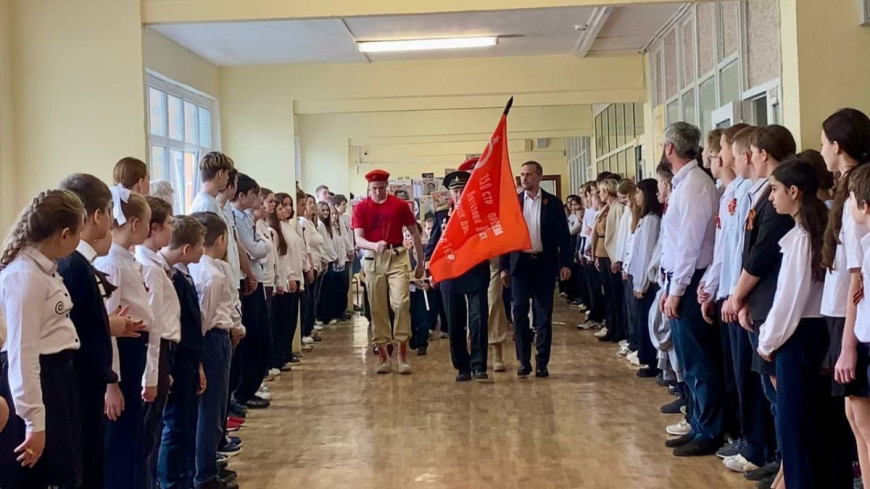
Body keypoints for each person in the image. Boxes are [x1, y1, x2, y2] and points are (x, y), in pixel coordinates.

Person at [753, 159, 832, 489]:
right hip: (813, 335)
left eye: (774, 190)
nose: (771, 197)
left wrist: (766, 342)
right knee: (812, 428)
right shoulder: (812, 233)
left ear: (794, 191)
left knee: (797, 429)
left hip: (798, 339)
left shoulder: (802, 238)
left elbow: (789, 302)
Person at [0, 190, 86, 488]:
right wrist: (34, 421)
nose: (80, 240)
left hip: (57, 377)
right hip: (40, 380)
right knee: (42, 474)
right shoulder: (24, 276)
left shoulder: (45, 269)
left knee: (66, 469)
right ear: (64, 235)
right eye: (79, 232)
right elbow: (23, 355)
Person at [57, 174, 130, 489]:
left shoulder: (79, 264)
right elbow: (73, 329)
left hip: (87, 382)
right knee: (86, 465)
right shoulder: (74, 266)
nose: (113, 221)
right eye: (111, 212)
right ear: (98, 215)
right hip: (81, 384)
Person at [657, 122, 724, 457]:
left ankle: (709, 429)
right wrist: (667, 285)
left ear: (670, 147)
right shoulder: (683, 184)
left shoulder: (696, 184)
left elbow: (689, 244)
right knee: (687, 359)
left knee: (699, 361)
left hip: (691, 279)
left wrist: (677, 289)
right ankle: (697, 423)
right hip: (679, 279)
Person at [95, 189, 156, 488]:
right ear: (134, 224)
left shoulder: (127, 260)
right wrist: (112, 383)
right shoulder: (112, 264)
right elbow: (107, 330)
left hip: (135, 350)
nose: (149, 228)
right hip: (123, 356)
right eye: (147, 222)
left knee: (133, 437)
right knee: (119, 442)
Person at [823, 108, 870, 489]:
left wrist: (848, 343)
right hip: (844, 313)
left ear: (837, 146)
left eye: (824, 143)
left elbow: (857, 275)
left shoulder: (858, 193)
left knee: (863, 420)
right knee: (854, 418)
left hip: (851, 317)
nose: (822, 150)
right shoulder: (846, 187)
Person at [499, 161, 572, 378]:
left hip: (544, 264)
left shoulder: (553, 203)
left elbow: (564, 236)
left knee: (543, 314)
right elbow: (505, 238)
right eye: (522, 174)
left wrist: (566, 263)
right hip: (520, 265)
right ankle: (524, 361)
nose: (525, 178)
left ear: (539, 177)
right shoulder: (514, 203)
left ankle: (542, 362)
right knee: (519, 311)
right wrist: (503, 267)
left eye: (529, 175)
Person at [352, 169, 424, 375]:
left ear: (387, 187)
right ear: (369, 188)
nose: (378, 192)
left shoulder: (399, 205)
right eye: (374, 188)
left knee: (401, 303)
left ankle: (402, 352)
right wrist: (374, 245)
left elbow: (415, 233)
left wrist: (420, 262)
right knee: (377, 307)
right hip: (373, 258)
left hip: (397, 256)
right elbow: (358, 239)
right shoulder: (361, 208)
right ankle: (383, 354)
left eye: (382, 188)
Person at [188, 212, 239, 489]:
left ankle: (203, 465)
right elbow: (205, 318)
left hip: (206, 340)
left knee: (206, 409)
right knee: (212, 409)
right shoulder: (213, 274)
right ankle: (205, 474)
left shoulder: (192, 267)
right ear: (220, 240)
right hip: (212, 340)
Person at [135, 196, 182, 489]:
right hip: (155, 349)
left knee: (153, 430)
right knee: (149, 434)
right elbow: (152, 321)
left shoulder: (155, 263)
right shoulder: (149, 267)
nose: (172, 230)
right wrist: (152, 374)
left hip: (163, 349)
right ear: (153, 228)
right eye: (169, 224)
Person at [157, 215, 206, 489]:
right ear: (187, 249)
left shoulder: (180, 274)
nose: (203, 250)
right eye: (201, 245)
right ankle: (171, 481)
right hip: (177, 359)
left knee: (187, 423)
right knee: (175, 425)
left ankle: (185, 477)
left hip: (188, 358)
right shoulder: (169, 277)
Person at [427, 168, 491, 381]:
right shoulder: (441, 214)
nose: (459, 194)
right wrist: (431, 271)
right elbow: (433, 245)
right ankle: (462, 366)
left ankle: (479, 365)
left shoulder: (480, 213)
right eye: (455, 191)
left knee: (478, 320)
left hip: (476, 271)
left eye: (463, 190)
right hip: (450, 274)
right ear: (450, 193)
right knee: (454, 322)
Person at [230, 174, 272, 410]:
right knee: (251, 341)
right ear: (242, 195)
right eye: (255, 195)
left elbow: (258, 248)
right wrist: (266, 244)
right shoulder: (234, 217)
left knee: (263, 340)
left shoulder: (247, 218)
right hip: (247, 283)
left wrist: (263, 245)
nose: (259, 199)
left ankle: (250, 388)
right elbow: (255, 250)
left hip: (256, 279)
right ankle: (242, 392)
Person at [629, 179, 663, 378]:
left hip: (647, 282)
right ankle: (647, 358)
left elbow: (646, 255)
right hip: (640, 278)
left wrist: (641, 283)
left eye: (639, 193)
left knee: (646, 321)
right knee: (641, 319)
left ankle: (652, 361)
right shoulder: (645, 218)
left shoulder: (651, 220)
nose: (636, 197)